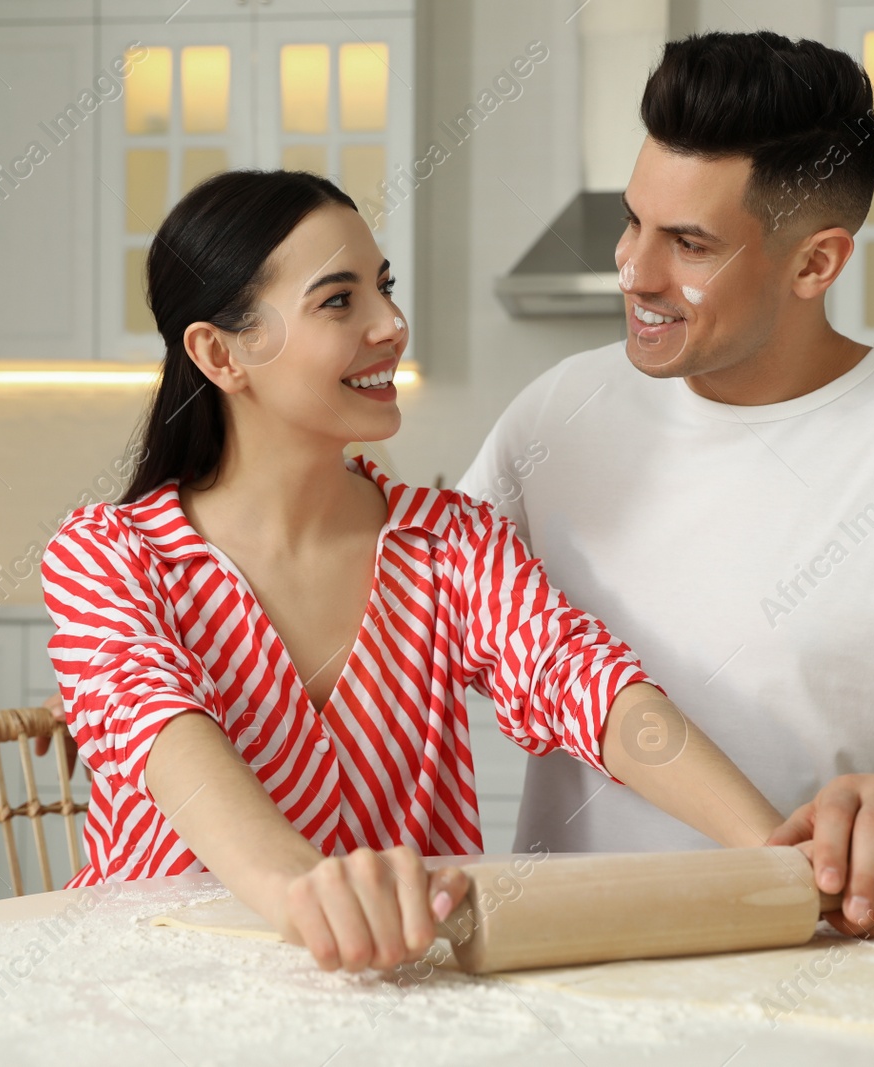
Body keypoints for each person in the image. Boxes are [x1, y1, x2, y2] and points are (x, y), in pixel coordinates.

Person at [40, 169, 790, 974]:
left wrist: (779, 849)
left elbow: (582, 678)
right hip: (153, 996)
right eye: (339, 300)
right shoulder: (109, 557)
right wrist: (308, 892)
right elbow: (165, 737)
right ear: (221, 352)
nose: (391, 323)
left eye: (383, 288)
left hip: (398, 1003)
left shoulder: (449, 543)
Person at [459, 32, 874, 940]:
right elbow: (419, 626)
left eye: (689, 242)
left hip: (820, 956)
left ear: (816, 263)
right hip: (570, 955)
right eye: (633, 220)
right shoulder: (556, 409)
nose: (635, 272)